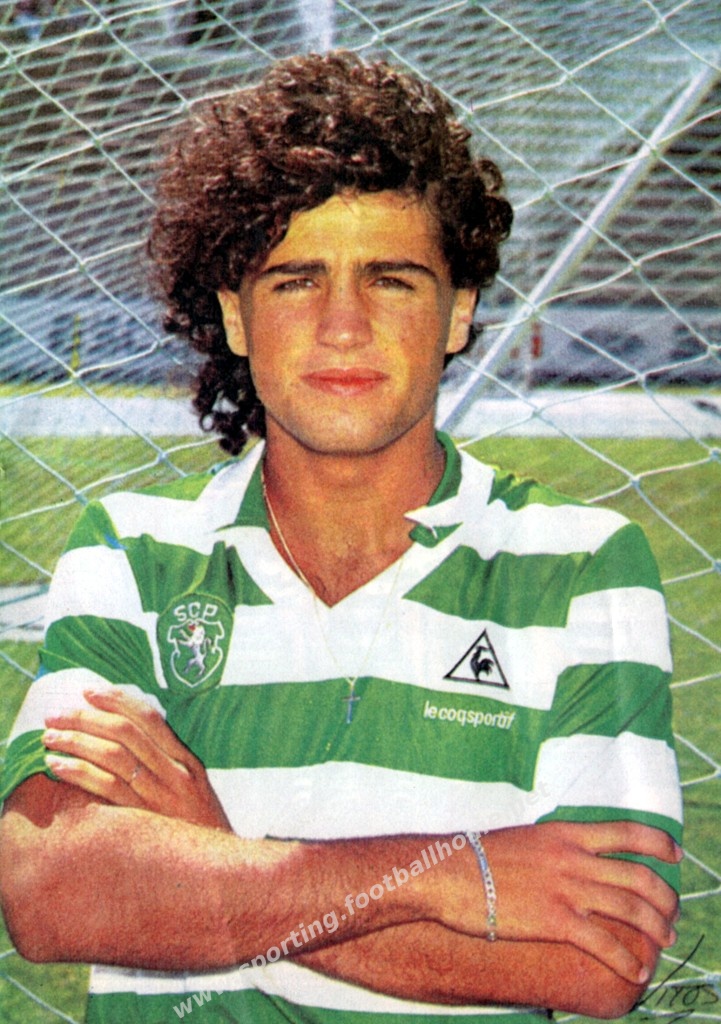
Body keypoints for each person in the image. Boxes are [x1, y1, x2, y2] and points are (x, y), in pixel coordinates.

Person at [0, 50, 683, 1024]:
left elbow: (595, 964)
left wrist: (214, 850)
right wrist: (446, 875)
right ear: (236, 315)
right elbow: (51, 892)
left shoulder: (581, 564)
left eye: (391, 280)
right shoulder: (131, 551)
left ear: (458, 311)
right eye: (295, 281)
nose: (344, 326)